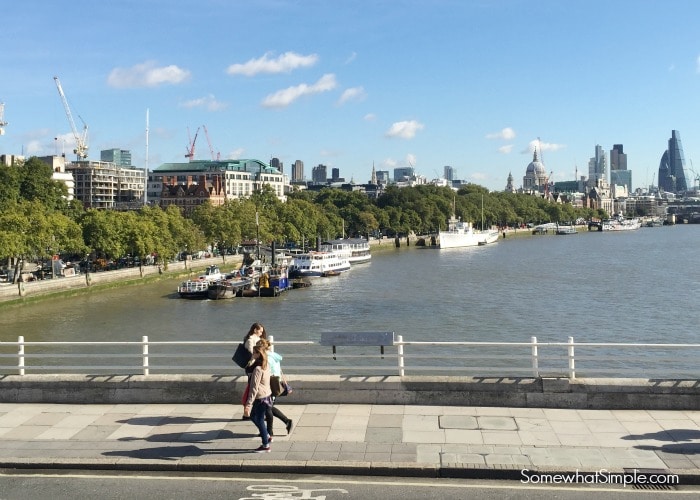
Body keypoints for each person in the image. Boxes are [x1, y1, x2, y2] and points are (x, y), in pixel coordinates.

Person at [257, 338, 293, 436]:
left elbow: (267, 372)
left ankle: (270, 431)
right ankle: (271, 429)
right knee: (268, 407)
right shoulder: (274, 355)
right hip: (276, 383)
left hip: (270, 385)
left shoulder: (266, 358)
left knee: (268, 408)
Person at [243, 343, 273, 453]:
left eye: (254, 352)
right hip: (267, 395)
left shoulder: (258, 369)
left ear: (257, 354)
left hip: (260, 398)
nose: (252, 354)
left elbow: (254, 388)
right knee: (254, 416)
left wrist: (248, 404)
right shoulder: (266, 365)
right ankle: (267, 435)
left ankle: (266, 445)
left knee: (259, 419)